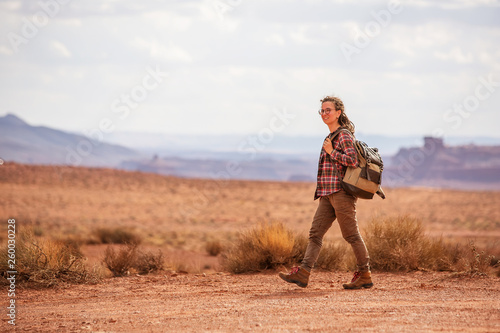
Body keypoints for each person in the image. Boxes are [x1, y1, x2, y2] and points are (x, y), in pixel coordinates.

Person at [279, 96, 373, 290]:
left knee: (351, 235)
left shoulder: (344, 135)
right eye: (322, 110)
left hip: (341, 193)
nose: (324, 114)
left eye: (328, 110)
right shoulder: (330, 136)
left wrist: (331, 152)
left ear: (338, 113)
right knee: (315, 234)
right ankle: (304, 273)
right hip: (327, 194)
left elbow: (353, 161)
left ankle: (365, 274)